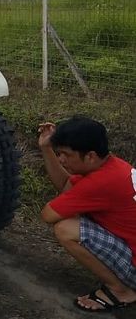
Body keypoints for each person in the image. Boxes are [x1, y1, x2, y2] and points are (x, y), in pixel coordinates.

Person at [38, 116, 136, 313]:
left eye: (66, 154)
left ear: (90, 156)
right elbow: (67, 187)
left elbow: (48, 215)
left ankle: (120, 291)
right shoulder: (114, 167)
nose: (61, 159)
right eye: (59, 153)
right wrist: (46, 149)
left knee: (66, 228)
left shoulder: (101, 183)